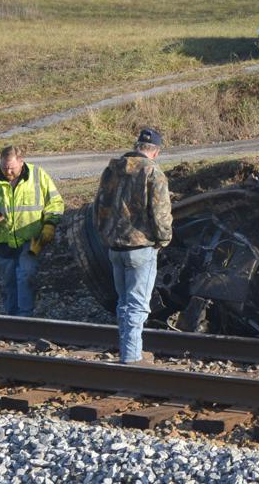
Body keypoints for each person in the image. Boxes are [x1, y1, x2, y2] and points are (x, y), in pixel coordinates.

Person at [93, 127, 172, 364]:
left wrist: (105, 235)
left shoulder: (112, 170)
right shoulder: (153, 172)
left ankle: (127, 349)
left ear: (137, 146)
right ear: (155, 152)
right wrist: (164, 239)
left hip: (115, 247)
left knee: (124, 303)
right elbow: (160, 213)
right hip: (140, 248)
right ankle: (131, 357)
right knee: (137, 306)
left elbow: (98, 207)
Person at [0, 146, 64, 316]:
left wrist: (50, 224)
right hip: (2, 243)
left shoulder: (38, 175)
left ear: (21, 162)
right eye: (4, 168)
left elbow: (55, 202)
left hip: (32, 240)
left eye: (12, 168)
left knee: (26, 276)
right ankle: (12, 318)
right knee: (9, 282)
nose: (8, 172)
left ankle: (24, 317)